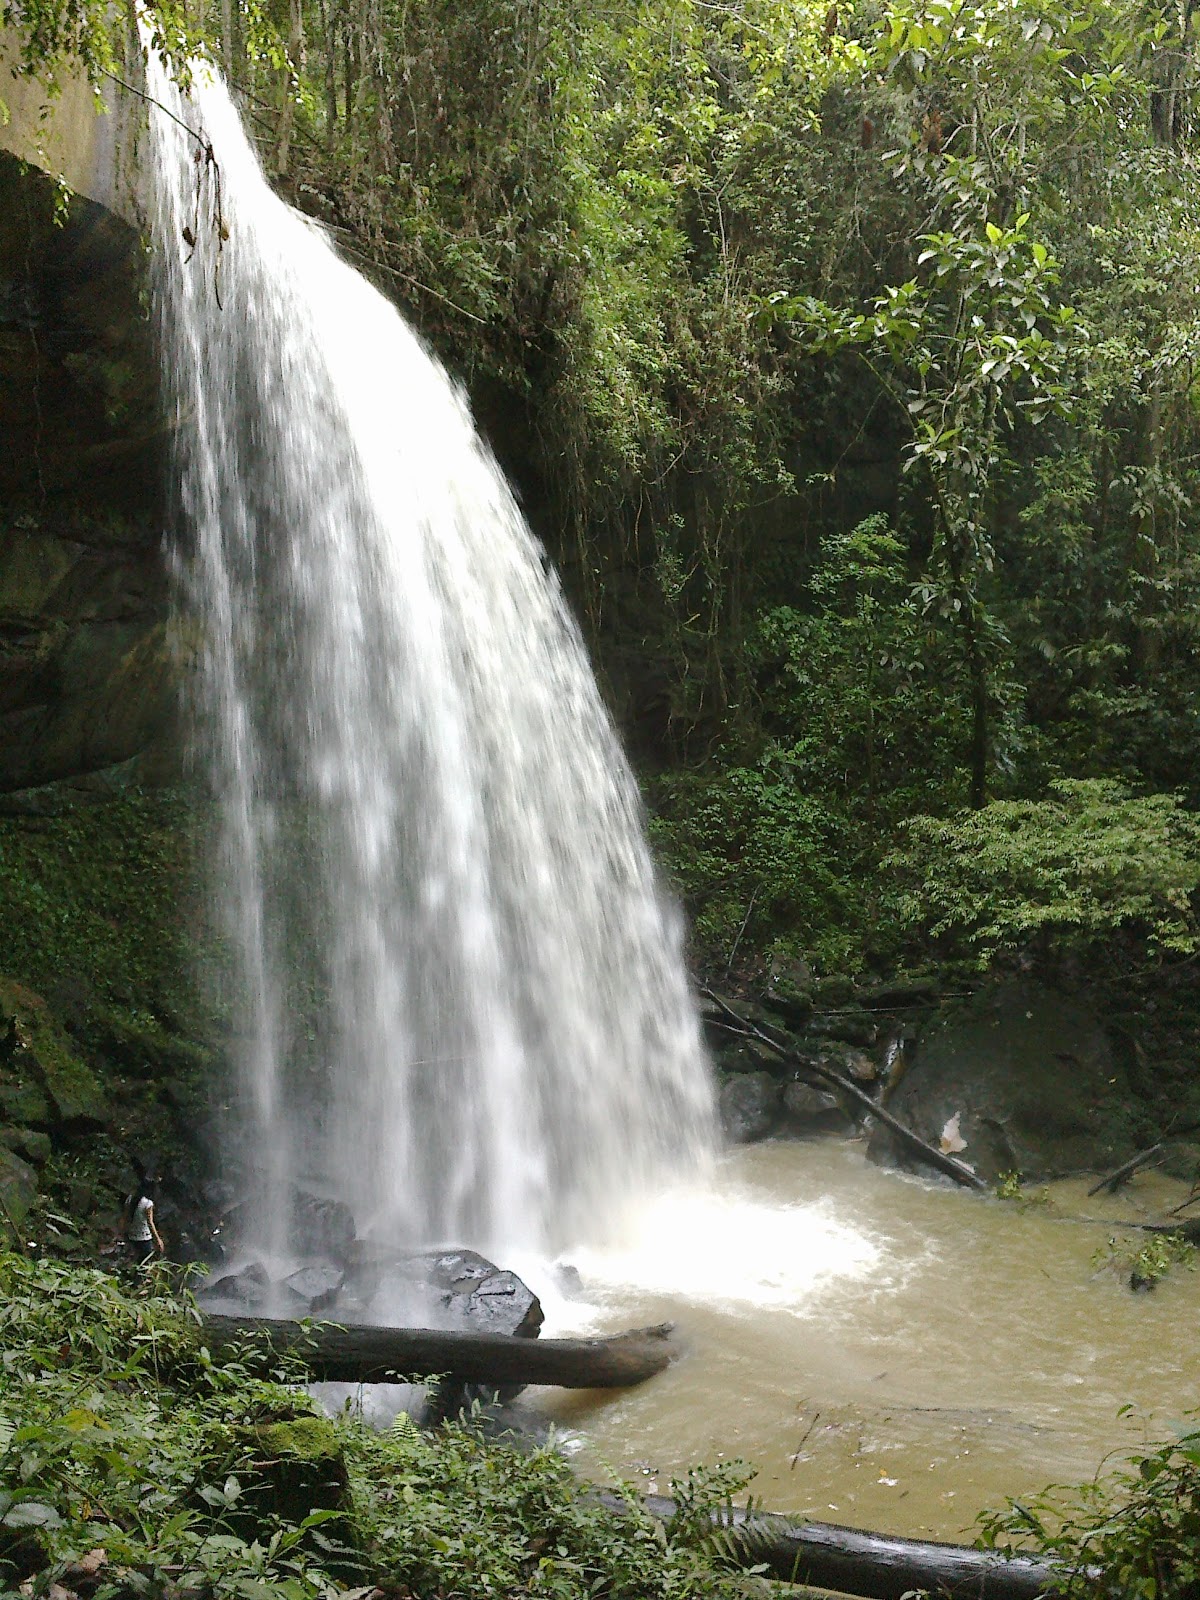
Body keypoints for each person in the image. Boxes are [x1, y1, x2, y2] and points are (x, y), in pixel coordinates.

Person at [118, 1178, 165, 1265]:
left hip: (131, 1236)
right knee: (145, 1263)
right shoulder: (148, 1203)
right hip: (144, 1238)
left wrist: (121, 1232)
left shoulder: (130, 1199)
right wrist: (158, 1239)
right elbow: (150, 1223)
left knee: (135, 1261)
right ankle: (139, 1277)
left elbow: (124, 1217)